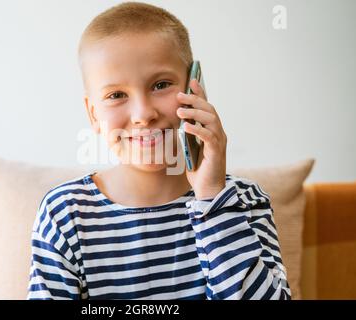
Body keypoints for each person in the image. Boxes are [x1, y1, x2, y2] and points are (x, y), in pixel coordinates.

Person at [27, 1, 290, 300]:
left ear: (195, 88)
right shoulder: (64, 214)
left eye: (161, 84)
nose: (143, 113)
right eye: (116, 95)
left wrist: (213, 198)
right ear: (93, 114)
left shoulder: (244, 200)